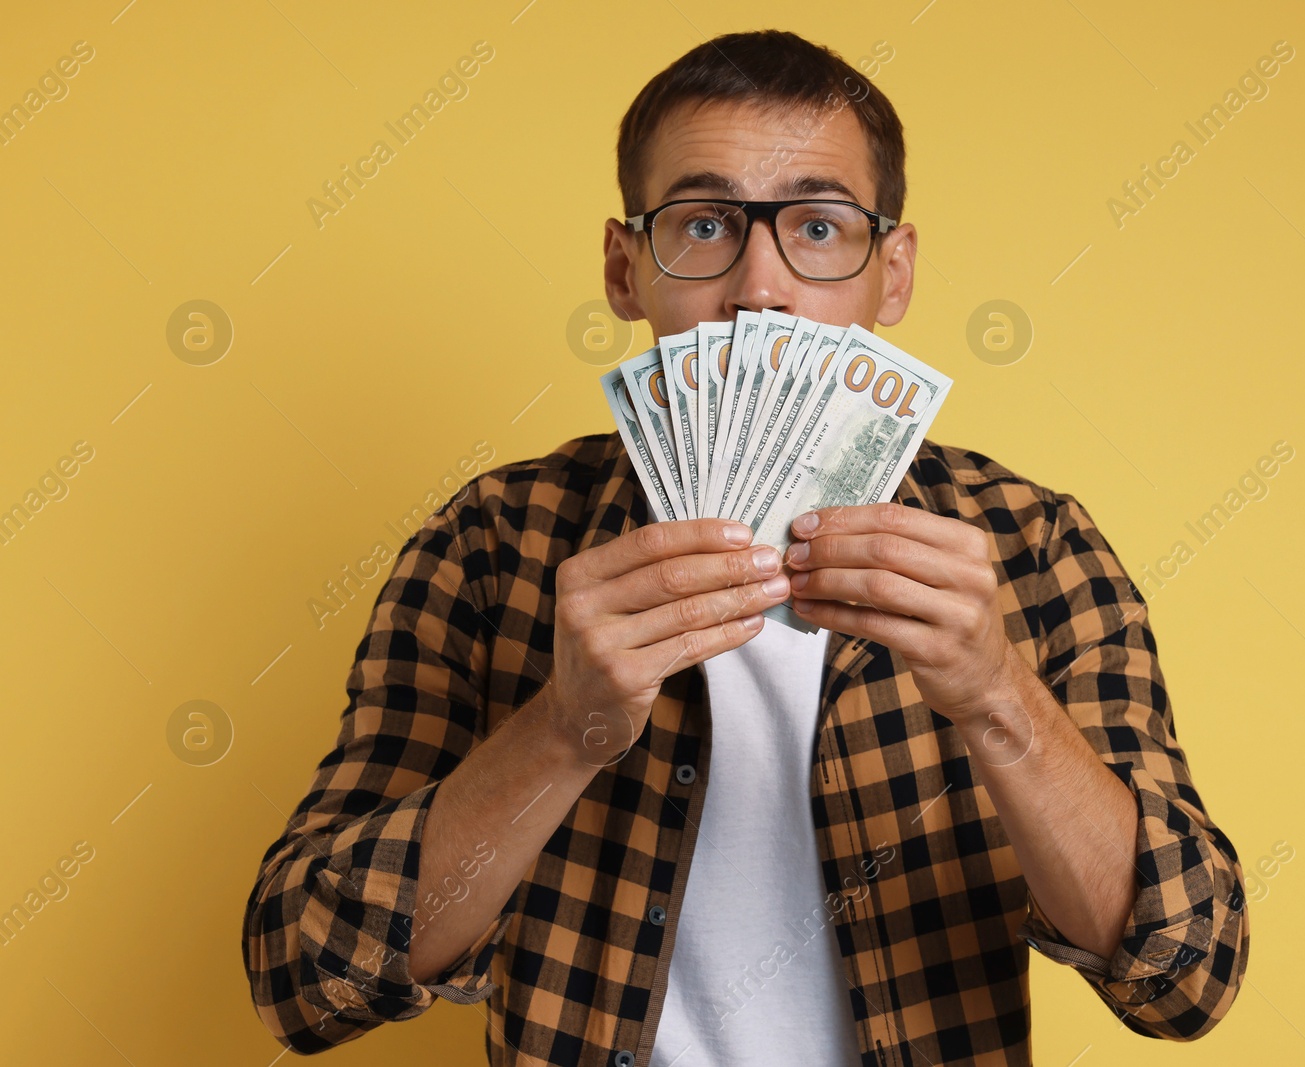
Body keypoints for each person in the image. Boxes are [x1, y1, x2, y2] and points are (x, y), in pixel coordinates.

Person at [243, 29, 1249, 1066]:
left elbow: (1187, 973)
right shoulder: (495, 543)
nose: (758, 288)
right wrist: (561, 731)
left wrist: (997, 696)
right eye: (705, 223)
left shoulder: (1029, 548)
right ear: (624, 267)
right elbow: (306, 980)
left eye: (818, 225)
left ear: (890, 274)